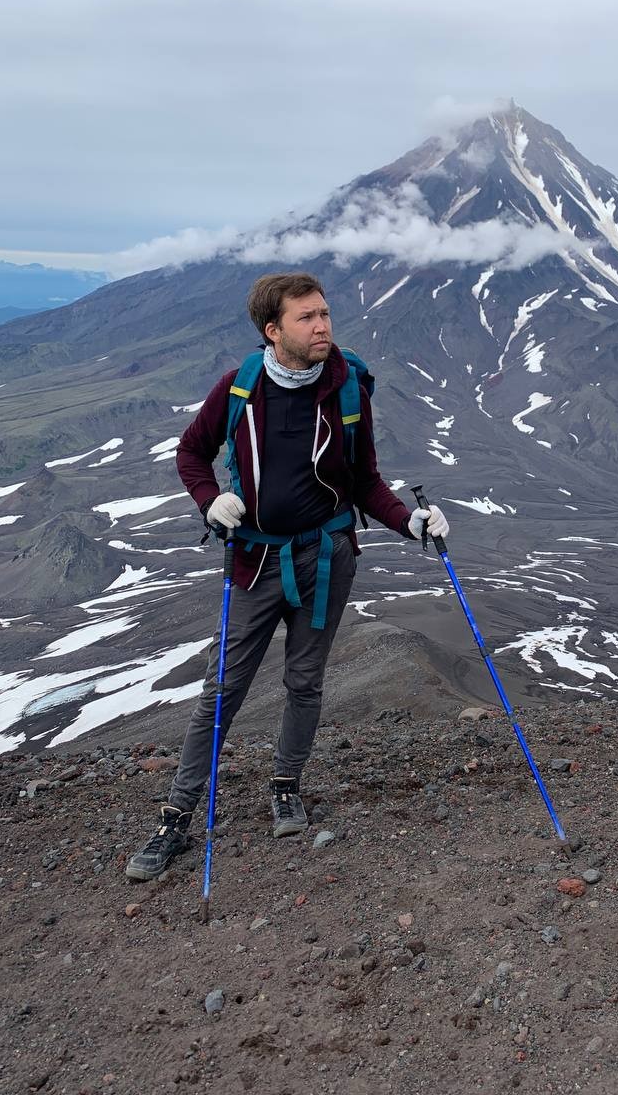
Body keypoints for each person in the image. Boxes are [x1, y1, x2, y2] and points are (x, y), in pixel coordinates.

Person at [126, 271, 449, 880]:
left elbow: (365, 481)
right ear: (273, 331)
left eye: (325, 313)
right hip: (256, 559)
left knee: (305, 680)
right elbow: (192, 451)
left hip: (326, 557)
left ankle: (285, 785)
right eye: (307, 318)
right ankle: (176, 818)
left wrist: (410, 524)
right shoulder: (240, 389)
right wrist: (208, 500)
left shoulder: (348, 387)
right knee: (223, 689)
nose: (322, 325)